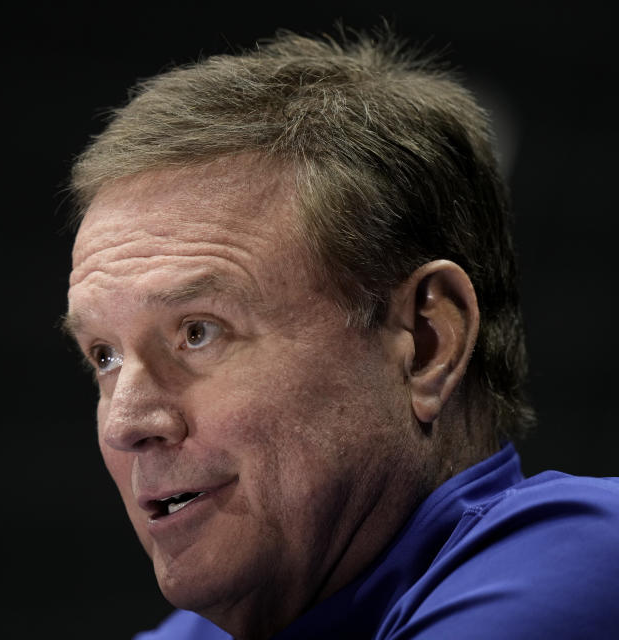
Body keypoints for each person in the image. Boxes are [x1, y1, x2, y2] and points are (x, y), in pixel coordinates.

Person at [62, 28, 619, 639]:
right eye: (105, 355)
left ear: (427, 343)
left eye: (198, 332)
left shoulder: (582, 562)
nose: (127, 424)